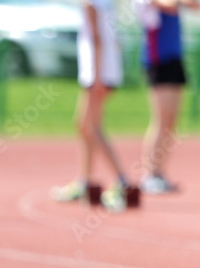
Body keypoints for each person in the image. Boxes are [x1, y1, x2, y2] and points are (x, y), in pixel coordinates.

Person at [51, 0, 130, 211]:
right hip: (103, 71)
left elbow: (96, 39)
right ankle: (84, 180)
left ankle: (122, 180)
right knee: (85, 126)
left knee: (91, 127)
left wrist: (96, 76)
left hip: (98, 73)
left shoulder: (92, 3)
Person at [135, 0, 200, 194]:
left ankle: (160, 172)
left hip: (175, 57)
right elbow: (170, 4)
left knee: (172, 120)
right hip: (157, 58)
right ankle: (149, 174)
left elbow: (196, 5)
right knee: (161, 118)